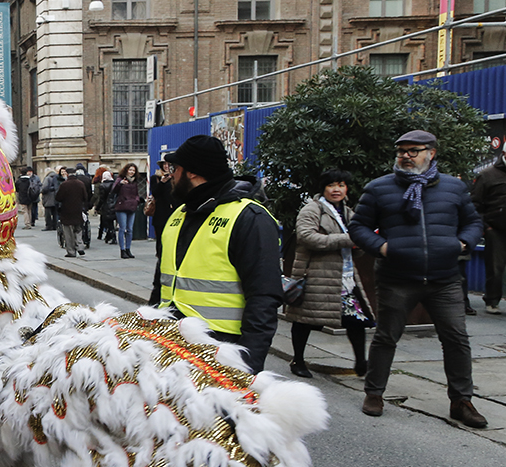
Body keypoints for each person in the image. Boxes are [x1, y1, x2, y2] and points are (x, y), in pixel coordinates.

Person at [349, 130, 487, 427]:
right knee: (386, 337)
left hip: (444, 278)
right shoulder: (379, 188)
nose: (406, 157)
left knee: (456, 339)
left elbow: (474, 221)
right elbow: (358, 227)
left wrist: (463, 243)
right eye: (401, 151)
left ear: (431, 153)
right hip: (397, 277)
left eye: (413, 151)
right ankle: (374, 393)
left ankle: (462, 401)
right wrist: (382, 247)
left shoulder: (454, 187)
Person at [159, 135, 282, 375]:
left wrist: (247, 367)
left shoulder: (249, 217)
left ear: (192, 173)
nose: (170, 176)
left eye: (175, 169)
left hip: (221, 350)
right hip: (170, 346)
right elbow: (161, 284)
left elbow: (264, 297)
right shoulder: (178, 215)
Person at [284, 169, 375, 379]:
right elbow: (307, 237)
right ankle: (298, 360)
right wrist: (347, 239)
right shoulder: (312, 209)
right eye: (332, 185)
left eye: (341, 185)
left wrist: (360, 243)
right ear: (323, 188)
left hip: (345, 277)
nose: (337, 190)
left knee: (356, 318)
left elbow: (357, 240)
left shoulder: (348, 212)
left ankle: (361, 362)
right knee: (305, 319)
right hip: (315, 275)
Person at [473, 152, 506, 314]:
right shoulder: (487, 175)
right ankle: (492, 301)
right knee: (495, 268)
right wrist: (486, 227)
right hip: (495, 228)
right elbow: (475, 204)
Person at [146, 160, 177, 305]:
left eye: (169, 165)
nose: (167, 167)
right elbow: (155, 193)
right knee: (161, 239)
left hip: (174, 213)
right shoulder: (157, 177)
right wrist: (163, 182)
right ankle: (161, 254)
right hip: (161, 213)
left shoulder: (175, 177)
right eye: (165, 165)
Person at [111, 163, 143, 259]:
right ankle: (122, 249)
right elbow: (113, 190)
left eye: (133, 170)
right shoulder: (120, 179)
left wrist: (136, 200)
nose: (131, 172)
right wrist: (120, 184)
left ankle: (128, 248)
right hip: (122, 206)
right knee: (122, 228)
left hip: (131, 206)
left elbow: (137, 193)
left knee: (130, 229)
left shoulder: (134, 182)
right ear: (126, 170)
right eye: (130, 170)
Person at [55, 167, 89, 258]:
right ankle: (80, 246)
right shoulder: (80, 184)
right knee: (78, 229)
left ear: (67, 174)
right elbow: (85, 197)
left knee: (68, 232)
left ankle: (71, 251)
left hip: (67, 211)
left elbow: (58, 197)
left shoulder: (64, 185)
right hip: (78, 210)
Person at [92, 166, 116, 242]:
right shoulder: (114, 184)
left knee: (105, 221)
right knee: (110, 222)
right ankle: (111, 236)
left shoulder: (102, 185)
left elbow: (100, 197)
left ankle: (105, 235)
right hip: (114, 204)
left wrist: (97, 206)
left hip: (106, 205)